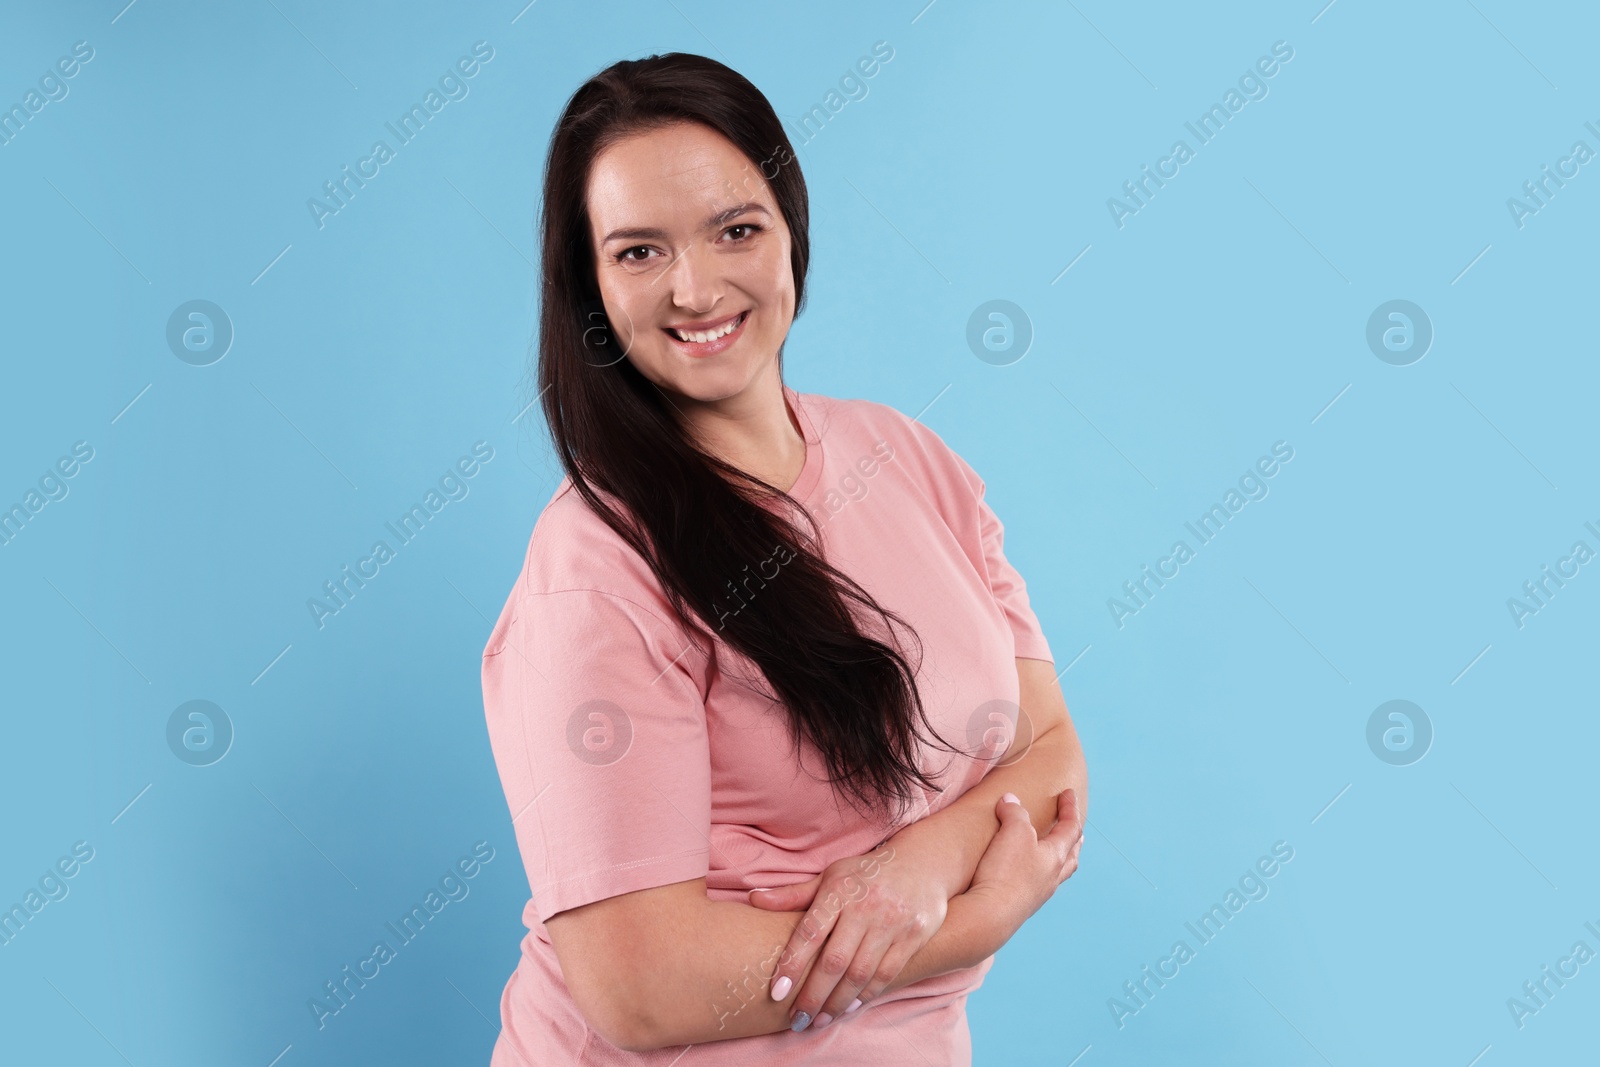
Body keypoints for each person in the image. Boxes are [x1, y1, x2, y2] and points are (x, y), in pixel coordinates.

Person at [479, 51, 1088, 1066]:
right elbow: (641, 988)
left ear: (790, 232)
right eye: (637, 252)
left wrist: (916, 869)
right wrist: (967, 925)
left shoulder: (910, 457)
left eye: (735, 230)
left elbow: (1051, 752)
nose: (695, 286)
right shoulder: (594, 572)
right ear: (585, 282)